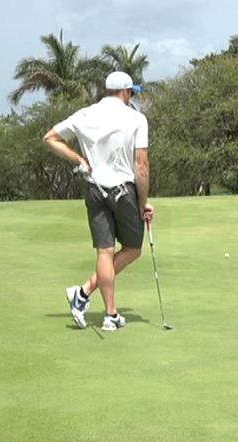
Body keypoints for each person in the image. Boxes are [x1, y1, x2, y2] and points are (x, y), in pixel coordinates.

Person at [43, 72, 153, 332]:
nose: (132, 97)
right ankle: (99, 306)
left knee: (105, 251)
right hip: (124, 190)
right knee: (133, 249)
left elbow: (50, 138)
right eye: (132, 92)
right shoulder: (137, 118)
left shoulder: (86, 114)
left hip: (94, 189)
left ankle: (98, 305)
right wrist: (143, 202)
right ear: (125, 92)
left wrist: (79, 160)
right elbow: (142, 165)